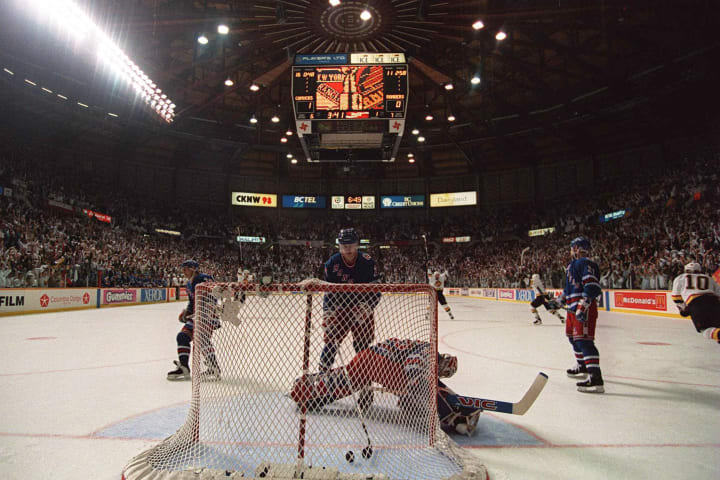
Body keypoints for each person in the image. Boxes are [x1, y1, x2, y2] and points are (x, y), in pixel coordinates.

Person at [290, 338, 482, 436]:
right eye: (444, 372)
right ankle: (455, 415)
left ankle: (307, 392)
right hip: (378, 362)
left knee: (343, 382)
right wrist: (416, 387)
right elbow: (413, 363)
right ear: (444, 362)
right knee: (426, 384)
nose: (441, 374)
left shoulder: (428, 354)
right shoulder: (430, 352)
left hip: (372, 359)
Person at [319, 228, 381, 408]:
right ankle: (322, 379)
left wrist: (368, 307)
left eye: (351, 244)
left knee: (362, 347)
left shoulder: (367, 262)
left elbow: (377, 289)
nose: (347, 248)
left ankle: (366, 387)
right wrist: (328, 313)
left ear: (357, 245)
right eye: (343, 245)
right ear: (339, 245)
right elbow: (329, 292)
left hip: (362, 307)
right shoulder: (332, 264)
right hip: (340, 308)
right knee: (331, 342)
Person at [559, 237, 604, 393]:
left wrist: (583, 306)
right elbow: (568, 289)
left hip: (583, 308)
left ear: (577, 248)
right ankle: (583, 365)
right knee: (573, 338)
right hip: (572, 309)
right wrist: (559, 300)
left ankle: (596, 379)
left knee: (585, 342)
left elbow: (592, 286)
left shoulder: (586, 263)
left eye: (572, 248)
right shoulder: (571, 266)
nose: (571, 250)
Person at [167, 260, 221, 381]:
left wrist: (205, 309)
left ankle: (214, 367)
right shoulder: (189, 284)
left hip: (207, 314)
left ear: (193, 269)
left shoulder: (202, 278)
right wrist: (186, 313)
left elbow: (214, 293)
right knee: (182, 337)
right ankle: (184, 367)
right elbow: (192, 302)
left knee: (201, 338)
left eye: (186, 268)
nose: (183, 271)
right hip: (197, 315)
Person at [671, 262, 720, 344]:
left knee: (704, 330)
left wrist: (683, 308)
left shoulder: (681, 278)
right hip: (714, 302)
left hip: (696, 304)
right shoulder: (709, 278)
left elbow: (676, 297)